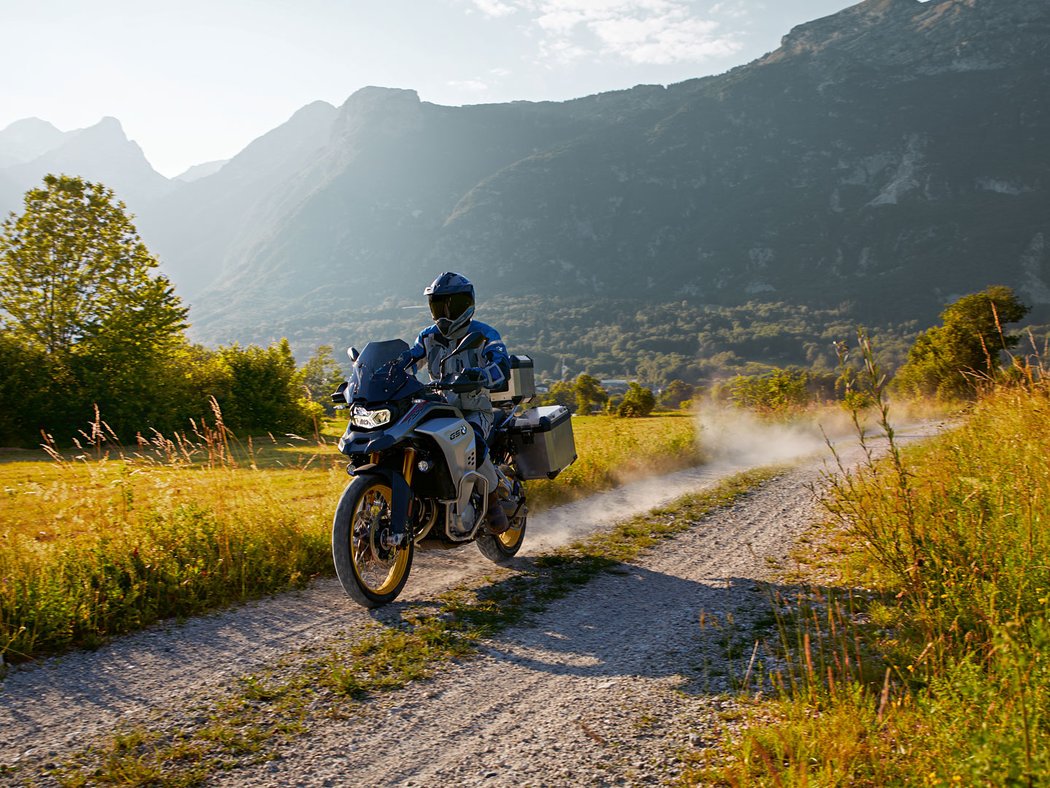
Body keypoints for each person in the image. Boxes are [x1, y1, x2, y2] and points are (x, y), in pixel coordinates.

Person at [398, 272, 512, 533]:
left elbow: (501, 365)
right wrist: (388, 371)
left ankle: (493, 498)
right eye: (438, 306)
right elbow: (410, 361)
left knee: (470, 438)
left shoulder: (483, 334)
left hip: (474, 410)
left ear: (467, 304)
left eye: (452, 306)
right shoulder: (427, 337)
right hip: (437, 409)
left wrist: (484, 374)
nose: (444, 315)